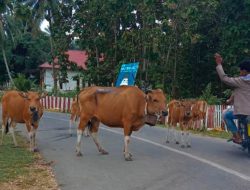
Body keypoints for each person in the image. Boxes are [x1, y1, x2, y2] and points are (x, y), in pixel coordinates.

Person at [214, 53, 250, 143]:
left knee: (226, 115)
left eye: (241, 71)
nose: (240, 73)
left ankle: (237, 137)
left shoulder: (240, 81)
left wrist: (219, 64)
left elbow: (224, 78)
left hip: (243, 112)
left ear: (245, 71)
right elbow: (239, 92)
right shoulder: (240, 84)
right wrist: (231, 100)